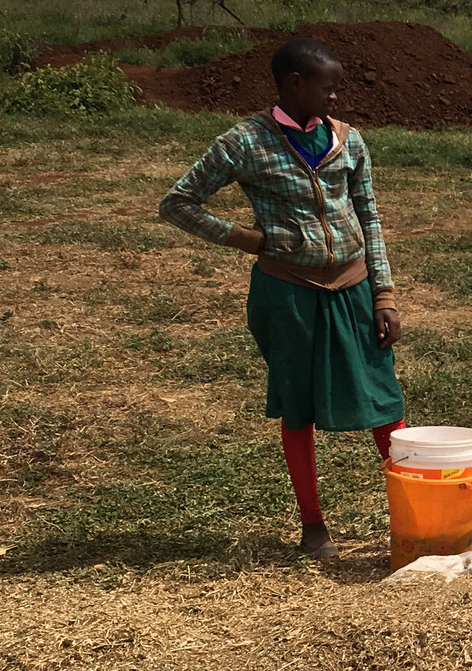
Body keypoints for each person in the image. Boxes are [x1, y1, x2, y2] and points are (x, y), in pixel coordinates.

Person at [159, 36, 405, 559]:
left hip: (354, 287)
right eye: (328, 87)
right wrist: (248, 239)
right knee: (298, 406)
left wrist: (383, 293)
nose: (336, 97)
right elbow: (178, 203)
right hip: (287, 292)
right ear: (295, 83)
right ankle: (313, 525)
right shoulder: (245, 142)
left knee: (385, 400)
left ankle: (411, 512)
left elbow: (370, 217)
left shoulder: (348, 140)